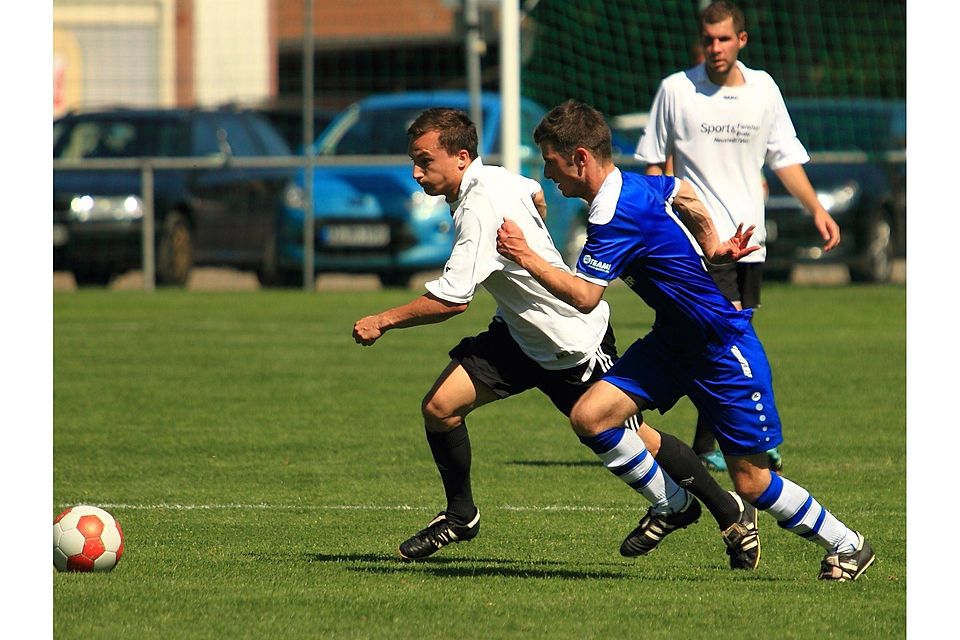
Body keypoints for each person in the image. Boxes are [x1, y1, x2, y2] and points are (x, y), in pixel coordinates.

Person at [352, 107, 760, 568]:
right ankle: (461, 515)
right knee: (440, 408)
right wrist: (536, 219)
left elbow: (453, 301)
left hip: (570, 342)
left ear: (461, 157)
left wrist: (382, 319)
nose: (416, 171)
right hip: (519, 334)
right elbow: (532, 190)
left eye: (425, 161)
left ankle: (725, 509)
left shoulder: (478, 209)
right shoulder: (499, 179)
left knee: (632, 436)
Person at [496, 99, 874, 581]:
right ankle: (673, 504)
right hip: (673, 344)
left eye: (551, 161)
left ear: (580, 158)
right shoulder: (631, 184)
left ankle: (848, 544)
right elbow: (683, 191)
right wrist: (713, 245)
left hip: (721, 348)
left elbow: (586, 297)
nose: (550, 174)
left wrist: (526, 256)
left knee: (752, 481)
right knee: (591, 417)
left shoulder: (613, 213)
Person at [635, 1, 841, 474]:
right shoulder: (676, 90)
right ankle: (731, 440)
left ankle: (709, 437)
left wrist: (816, 209)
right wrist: (655, 228)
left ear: (741, 40)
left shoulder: (764, 89)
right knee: (721, 339)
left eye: (724, 39)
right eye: (708, 39)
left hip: (749, 242)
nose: (716, 48)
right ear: (700, 40)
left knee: (721, 339)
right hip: (696, 243)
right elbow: (653, 164)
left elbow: (783, 157)